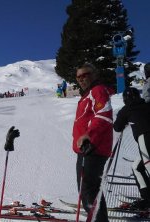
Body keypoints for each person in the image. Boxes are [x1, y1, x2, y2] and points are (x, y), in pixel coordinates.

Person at [73, 63, 113, 222]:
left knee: (89, 191)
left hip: (93, 148)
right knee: (89, 191)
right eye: (78, 77)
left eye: (85, 75)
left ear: (94, 74)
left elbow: (104, 115)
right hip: (86, 148)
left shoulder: (97, 91)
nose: (82, 79)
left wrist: (89, 136)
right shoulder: (88, 94)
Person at [113, 87, 150, 209]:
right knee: (137, 167)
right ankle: (147, 197)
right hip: (145, 139)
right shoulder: (147, 105)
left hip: (145, 138)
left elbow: (117, 127)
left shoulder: (126, 109)